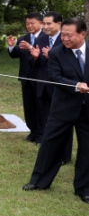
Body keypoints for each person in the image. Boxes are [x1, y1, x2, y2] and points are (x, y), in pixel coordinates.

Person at [22, 17, 89, 204]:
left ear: (83, 34)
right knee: (50, 145)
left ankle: (84, 189)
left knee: (86, 149)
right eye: (64, 35)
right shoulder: (57, 53)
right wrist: (76, 85)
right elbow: (54, 77)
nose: (65, 39)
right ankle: (39, 182)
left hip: (87, 110)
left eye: (69, 35)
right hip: (62, 108)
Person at [29, 12, 73, 163]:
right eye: (44, 23)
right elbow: (37, 64)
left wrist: (52, 56)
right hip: (43, 85)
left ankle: (64, 156)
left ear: (59, 24)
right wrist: (35, 57)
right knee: (46, 119)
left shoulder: (67, 40)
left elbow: (71, 65)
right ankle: (49, 150)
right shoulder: (40, 39)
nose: (45, 27)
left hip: (60, 88)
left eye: (49, 24)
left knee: (63, 122)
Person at [7, 12, 45, 143]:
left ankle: (41, 134)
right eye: (27, 23)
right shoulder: (23, 38)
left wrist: (30, 48)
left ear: (41, 23)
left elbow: (45, 57)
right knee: (29, 107)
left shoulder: (46, 38)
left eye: (32, 23)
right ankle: (32, 132)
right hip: (26, 78)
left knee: (40, 107)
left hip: (41, 79)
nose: (29, 26)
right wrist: (12, 46)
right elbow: (16, 54)